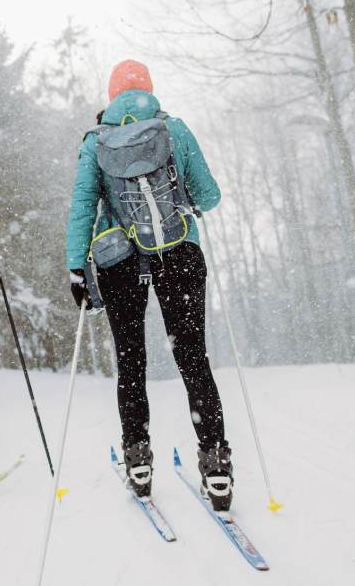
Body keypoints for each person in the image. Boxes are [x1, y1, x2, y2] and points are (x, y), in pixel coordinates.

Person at [65, 60, 235, 510]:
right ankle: (217, 468)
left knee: (131, 362)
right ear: (149, 90)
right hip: (179, 253)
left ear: (112, 94)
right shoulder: (173, 129)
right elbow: (210, 196)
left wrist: (76, 268)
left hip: (120, 260)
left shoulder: (95, 142)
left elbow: (83, 206)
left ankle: (139, 464)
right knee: (193, 359)